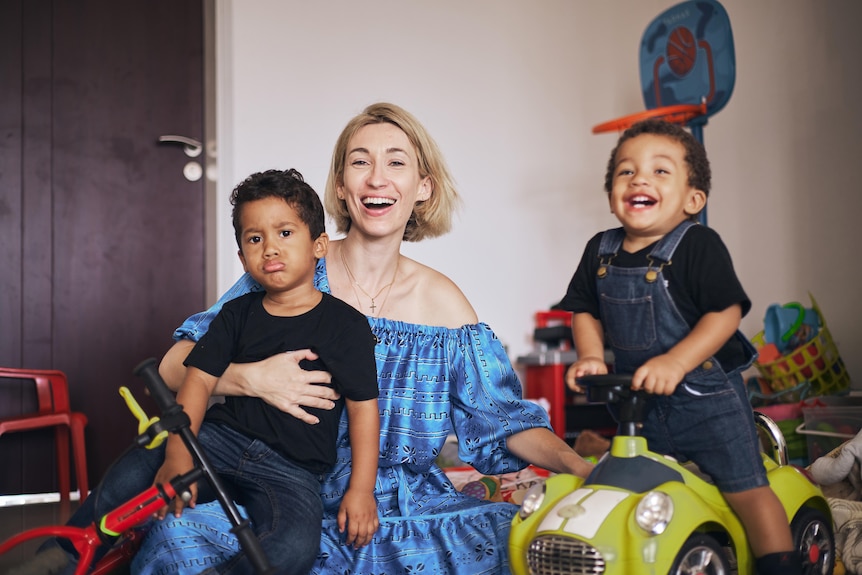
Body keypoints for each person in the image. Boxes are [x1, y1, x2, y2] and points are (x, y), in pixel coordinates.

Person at [135, 102, 595, 575]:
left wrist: (577, 465)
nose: (377, 179)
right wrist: (252, 379)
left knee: (513, 536)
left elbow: (505, 421)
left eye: (396, 162)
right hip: (283, 488)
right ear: (340, 185)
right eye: (360, 162)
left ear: (423, 187)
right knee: (181, 532)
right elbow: (175, 366)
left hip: (403, 507)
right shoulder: (288, 268)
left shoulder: (446, 306)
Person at [10, 169, 381, 575]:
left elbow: (364, 408)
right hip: (218, 441)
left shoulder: (346, 325)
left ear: (319, 245)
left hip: (292, 470)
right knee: (140, 464)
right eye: (255, 239)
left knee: (294, 547)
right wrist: (177, 454)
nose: (270, 248)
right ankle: (63, 554)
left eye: (285, 233)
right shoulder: (236, 315)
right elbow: (198, 380)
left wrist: (361, 491)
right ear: (242, 257)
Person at [559, 119, 802, 575]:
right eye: (625, 172)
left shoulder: (697, 245)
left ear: (694, 200)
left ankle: (779, 563)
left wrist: (677, 360)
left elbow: (725, 312)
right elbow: (584, 311)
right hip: (641, 407)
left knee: (746, 489)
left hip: (708, 405)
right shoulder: (600, 251)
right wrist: (591, 355)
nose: (640, 179)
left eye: (661, 171)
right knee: (641, 489)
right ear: (612, 194)